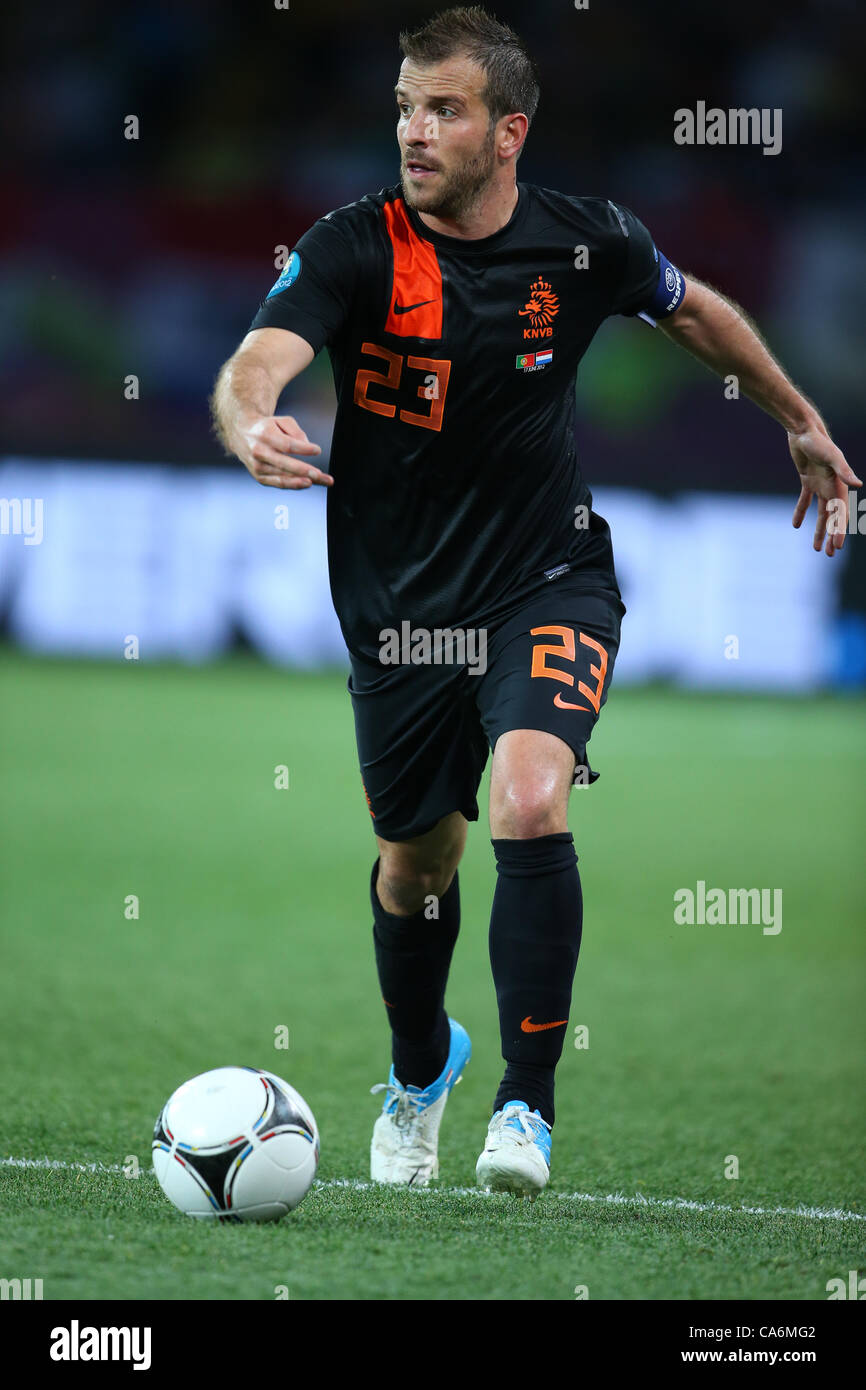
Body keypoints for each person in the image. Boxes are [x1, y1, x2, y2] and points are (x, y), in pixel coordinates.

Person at [211, 6, 860, 1194]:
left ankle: (526, 1106)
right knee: (414, 867)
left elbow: (693, 311)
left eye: (442, 107)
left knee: (524, 803)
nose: (412, 129)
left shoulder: (584, 241)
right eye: (404, 105)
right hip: (400, 612)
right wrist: (248, 417)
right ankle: (421, 1067)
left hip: (546, 576)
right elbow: (263, 354)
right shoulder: (355, 245)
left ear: (507, 130)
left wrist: (797, 418)